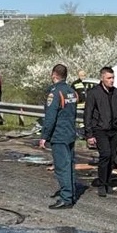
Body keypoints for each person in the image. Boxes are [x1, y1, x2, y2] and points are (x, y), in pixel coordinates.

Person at [83, 66, 117, 198]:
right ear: (102, 78)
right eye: (109, 78)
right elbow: (88, 114)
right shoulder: (94, 93)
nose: (112, 80)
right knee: (105, 154)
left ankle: (108, 181)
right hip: (100, 129)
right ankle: (102, 184)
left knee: (111, 157)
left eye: (113, 78)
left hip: (113, 130)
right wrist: (89, 134)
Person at [40, 64, 80, 209]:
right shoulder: (72, 91)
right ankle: (71, 193)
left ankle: (66, 198)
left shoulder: (55, 93)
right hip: (70, 133)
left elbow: (50, 117)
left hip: (59, 134)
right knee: (69, 166)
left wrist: (44, 136)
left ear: (54, 74)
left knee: (62, 167)